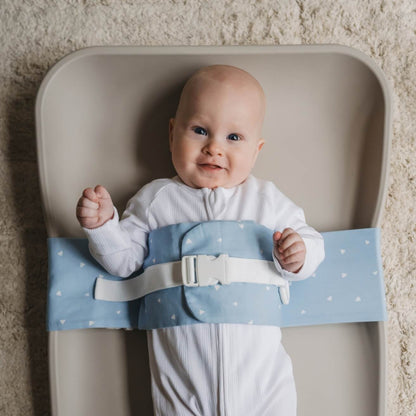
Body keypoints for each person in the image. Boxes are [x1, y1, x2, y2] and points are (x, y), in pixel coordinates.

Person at [76, 65, 325, 415]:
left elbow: (312, 241)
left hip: (262, 383)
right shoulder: (156, 200)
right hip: (181, 385)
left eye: (234, 138)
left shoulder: (266, 201)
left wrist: (299, 254)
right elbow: (125, 262)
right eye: (200, 130)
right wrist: (103, 226)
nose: (213, 148)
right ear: (173, 133)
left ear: (257, 150)